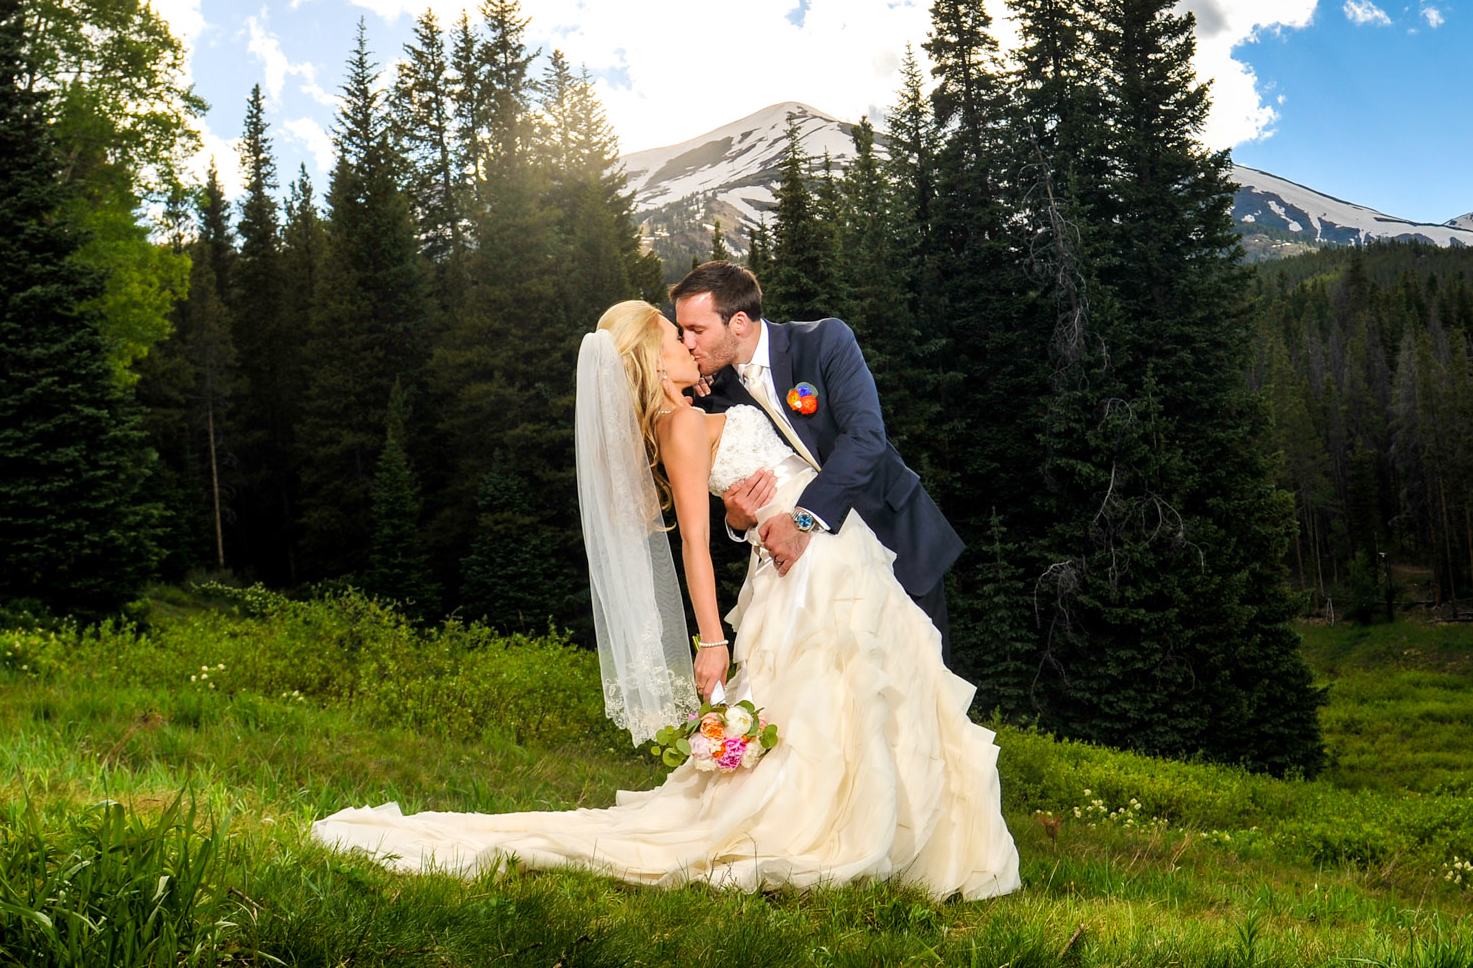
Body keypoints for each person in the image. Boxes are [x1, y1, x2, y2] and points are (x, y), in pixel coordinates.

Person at [310, 298, 1020, 901]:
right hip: (808, 559)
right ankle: (849, 834)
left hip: (824, 541)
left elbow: (770, 473)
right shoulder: (678, 424)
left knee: (880, 688)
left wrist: (747, 517)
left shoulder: (705, 403)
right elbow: (692, 542)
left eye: (692, 334)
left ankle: (900, 838)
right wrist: (711, 640)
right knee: (840, 695)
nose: (688, 346)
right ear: (652, 358)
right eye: (673, 338)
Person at [668, 261, 963, 662]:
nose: (686, 342)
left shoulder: (824, 340)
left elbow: (865, 439)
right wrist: (735, 521)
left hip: (893, 534)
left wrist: (803, 518)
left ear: (738, 322)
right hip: (815, 578)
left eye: (696, 330)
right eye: (681, 331)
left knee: (923, 683)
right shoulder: (711, 397)